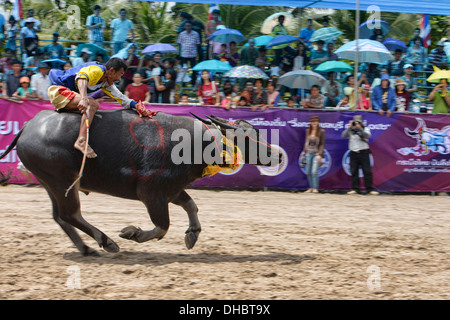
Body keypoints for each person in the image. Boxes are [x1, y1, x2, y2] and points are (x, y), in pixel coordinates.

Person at [47, 57, 154, 158]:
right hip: (59, 91)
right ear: (111, 71)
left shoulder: (106, 83)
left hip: (70, 94)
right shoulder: (98, 69)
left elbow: (121, 98)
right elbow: (81, 78)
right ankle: (81, 140)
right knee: (93, 104)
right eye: (120, 74)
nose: (119, 79)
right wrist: (84, 99)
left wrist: (136, 105)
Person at [342, 115, 378, 195]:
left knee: (367, 171)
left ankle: (369, 189)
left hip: (364, 152)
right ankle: (355, 188)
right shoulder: (350, 130)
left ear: (361, 122)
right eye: (356, 122)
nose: (357, 123)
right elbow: (343, 136)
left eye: (359, 122)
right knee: (354, 171)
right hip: (353, 152)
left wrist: (359, 128)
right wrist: (349, 127)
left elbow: (367, 136)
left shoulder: (365, 129)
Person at [302, 115, 325, 193]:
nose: (314, 123)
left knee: (314, 171)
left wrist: (319, 154)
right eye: (312, 122)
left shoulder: (321, 131)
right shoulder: (308, 131)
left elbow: (322, 144)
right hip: (308, 153)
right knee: (308, 171)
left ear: (318, 122)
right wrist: (304, 152)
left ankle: (315, 188)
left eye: (315, 121)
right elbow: (306, 142)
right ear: (310, 123)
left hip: (316, 154)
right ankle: (311, 187)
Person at [177, 20, 200, 85]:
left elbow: (197, 43)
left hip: (193, 54)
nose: (188, 27)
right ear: (184, 27)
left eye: (189, 26)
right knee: (183, 70)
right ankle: (183, 83)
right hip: (184, 55)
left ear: (191, 26)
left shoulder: (196, 34)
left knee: (194, 70)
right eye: (187, 26)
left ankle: (193, 83)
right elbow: (179, 43)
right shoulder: (182, 34)